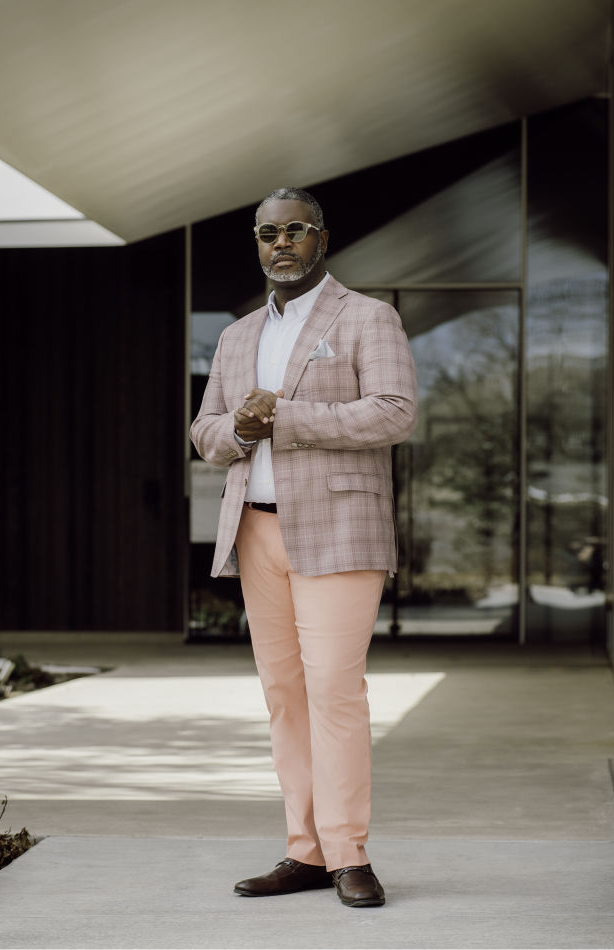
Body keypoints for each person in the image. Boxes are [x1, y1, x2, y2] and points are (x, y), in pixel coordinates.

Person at [190, 187, 417, 908]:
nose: (281, 243)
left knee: (333, 691)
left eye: (295, 230)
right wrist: (242, 430)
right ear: (257, 243)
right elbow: (205, 432)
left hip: (339, 527)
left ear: (321, 238)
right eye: (268, 233)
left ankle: (349, 853)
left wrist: (284, 417)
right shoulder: (236, 336)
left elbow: (394, 413)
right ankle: (306, 852)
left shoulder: (367, 317)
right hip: (255, 527)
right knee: (284, 696)